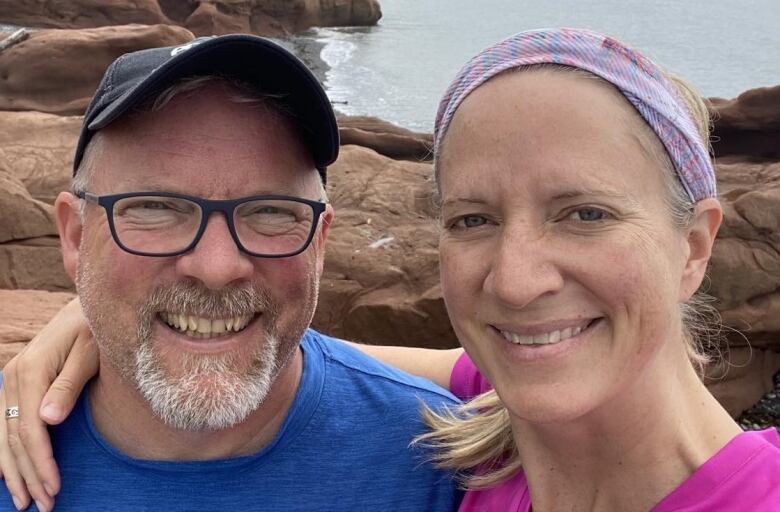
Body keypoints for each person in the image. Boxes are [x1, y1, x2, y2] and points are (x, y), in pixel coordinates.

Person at [4, 27, 780, 511]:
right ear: (76, 235)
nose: (516, 281)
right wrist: (110, 313)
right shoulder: (494, 434)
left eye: (587, 213)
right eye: (472, 219)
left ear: (694, 245)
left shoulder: (435, 451)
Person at [0, 34, 462, 511]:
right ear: (76, 236)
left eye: (270, 212)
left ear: (320, 242)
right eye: (157, 207)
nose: (217, 268)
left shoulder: (442, 462)